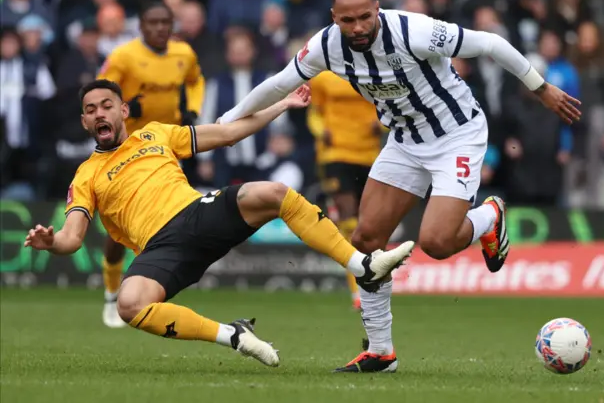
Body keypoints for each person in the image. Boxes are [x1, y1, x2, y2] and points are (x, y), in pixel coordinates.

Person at [216, 0, 581, 373]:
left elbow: (490, 44)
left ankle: (490, 216)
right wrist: (227, 121)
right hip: (405, 141)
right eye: (348, 20)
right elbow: (279, 83)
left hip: (457, 135)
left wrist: (541, 88)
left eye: (365, 17)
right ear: (334, 18)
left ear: (377, 8)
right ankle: (381, 352)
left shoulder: (415, 30)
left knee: (438, 242)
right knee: (367, 239)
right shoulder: (325, 45)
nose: (358, 27)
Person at [23, 79, 414, 368]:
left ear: (123, 111)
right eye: (91, 110)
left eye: (106, 105)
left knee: (272, 193)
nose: (99, 114)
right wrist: (51, 241)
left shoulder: (156, 134)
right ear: (84, 122)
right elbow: (72, 238)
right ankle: (234, 335)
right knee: (130, 305)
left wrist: (282, 104)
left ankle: (361, 265)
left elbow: (228, 133)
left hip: (199, 214)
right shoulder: (86, 175)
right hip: (162, 249)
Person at [96, 1, 205, 328]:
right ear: (141, 26)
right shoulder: (124, 56)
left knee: (164, 221)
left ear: (172, 25)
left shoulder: (183, 53)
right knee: (120, 231)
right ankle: (112, 292)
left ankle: (143, 288)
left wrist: (194, 112)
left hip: (167, 147)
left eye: (165, 23)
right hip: (127, 148)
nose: (159, 28)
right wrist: (125, 105)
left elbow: (196, 81)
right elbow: (99, 94)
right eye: (152, 23)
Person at [307, 70, 383, 310]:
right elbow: (314, 112)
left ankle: (372, 284)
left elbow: (391, 109)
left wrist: (381, 124)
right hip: (335, 154)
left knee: (368, 225)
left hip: (369, 155)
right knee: (349, 220)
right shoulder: (324, 77)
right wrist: (321, 131)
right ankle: (357, 292)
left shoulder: (375, 73)